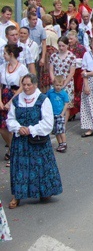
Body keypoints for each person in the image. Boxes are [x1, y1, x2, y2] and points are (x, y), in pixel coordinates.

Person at [7, 73, 63, 209]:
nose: (26, 88)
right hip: (20, 142)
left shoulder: (43, 100)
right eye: (24, 85)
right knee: (20, 168)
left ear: (35, 85)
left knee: (40, 167)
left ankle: (43, 192)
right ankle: (18, 195)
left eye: (28, 85)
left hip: (38, 141)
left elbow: (48, 123)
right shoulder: (17, 100)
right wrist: (19, 128)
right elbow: (10, 119)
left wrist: (31, 130)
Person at [0, 45, 29, 163]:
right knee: (2, 128)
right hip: (4, 96)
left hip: (15, 97)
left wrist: (11, 101)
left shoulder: (22, 68)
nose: (3, 55)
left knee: (12, 125)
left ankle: (14, 152)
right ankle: (12, 148)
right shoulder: (2, 67)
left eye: (5, 53)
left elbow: (22, 86)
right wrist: (0, 101)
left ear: (11, 54)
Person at [47, 36, 76, 126]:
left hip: (67, 83)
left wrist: (64, 83)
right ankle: (54, 123)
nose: (61, 48)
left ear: (67, 45)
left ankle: (63, 125)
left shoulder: (71, 57)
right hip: (56, 83)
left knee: (66, 105)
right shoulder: (54, 56)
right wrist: (54, 81)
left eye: (63, 46)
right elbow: (51, 70)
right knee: (54, 103)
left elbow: (72, 72)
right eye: (59, 46)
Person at [46, 76, 70, 153]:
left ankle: (64, 143)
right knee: (56, 130)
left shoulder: (63, 93)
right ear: (53, 84)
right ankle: (60, 143)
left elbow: (66, 103)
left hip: (60, 114)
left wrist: (63, 113)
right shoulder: (50, 92)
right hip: (52, 114)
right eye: (56, 85)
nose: (58, 87)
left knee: (61, 130)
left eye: (60, 85)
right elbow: (46, 100)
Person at [66, 31, 85, 122]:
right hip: (69, 72)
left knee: (79, 91)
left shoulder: (81, 48)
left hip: (78, 72)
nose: (69, 41)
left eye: (71, 39)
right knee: (71, 92)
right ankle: (71, 113)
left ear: (76, 38)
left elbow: (84, 60)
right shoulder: (66, 48)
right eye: (68, 39)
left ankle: (82, 111)